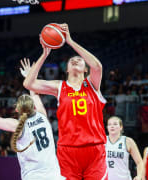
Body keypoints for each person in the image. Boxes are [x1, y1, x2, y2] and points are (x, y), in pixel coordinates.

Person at [23, 23, 107, 179]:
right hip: (68, 151)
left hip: (94, 149)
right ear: (66, 69)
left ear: (86, 69)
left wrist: (70, 41)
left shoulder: (92, 85)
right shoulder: (59, 87)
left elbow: (97, 66)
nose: (75, 60)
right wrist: (45, 53)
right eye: (72, 60)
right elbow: (29, 84)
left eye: (79, 60)